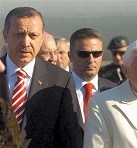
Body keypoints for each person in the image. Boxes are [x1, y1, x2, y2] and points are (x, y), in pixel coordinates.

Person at [1, 7, 82, 147]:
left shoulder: (60, 80)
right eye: (19, 34)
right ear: (5, 35)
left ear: (41, 38)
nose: (26, 43)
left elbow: (70, 136)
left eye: (33, 36)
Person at [69, 28, 117, 134]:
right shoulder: (56, 90)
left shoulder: (114, 90)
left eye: (96, 54)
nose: (91, 60)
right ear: (70, 56)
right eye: (83, 54)